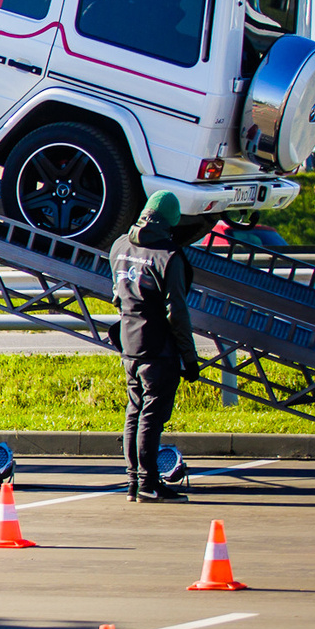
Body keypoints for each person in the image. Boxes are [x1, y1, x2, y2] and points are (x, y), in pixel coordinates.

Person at [110, 190, 204, 502]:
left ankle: (133, 484)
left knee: (134, 412)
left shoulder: (120, 245)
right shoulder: (169, 256)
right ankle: (149, 483)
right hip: (158, 349)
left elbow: (116, 295)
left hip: (129, 343)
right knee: (151, 415)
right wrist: (189, 359)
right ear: (172, 221)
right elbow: (176, 312)